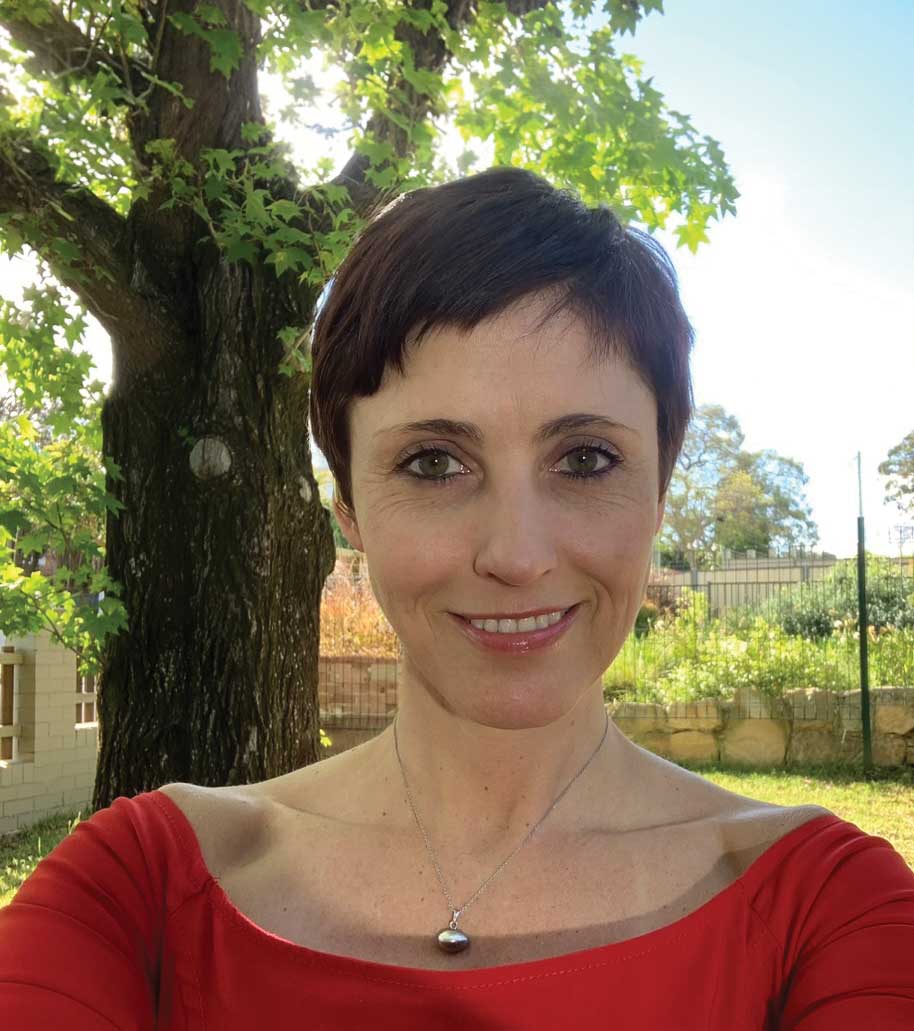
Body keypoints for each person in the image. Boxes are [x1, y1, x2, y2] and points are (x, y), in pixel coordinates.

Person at [1, 167, 913, 1029]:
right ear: (349, 507)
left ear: (660, 492)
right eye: (433, 463)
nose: (516, 554)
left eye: (587, 458)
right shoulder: (142, 889)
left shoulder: (829, 911)